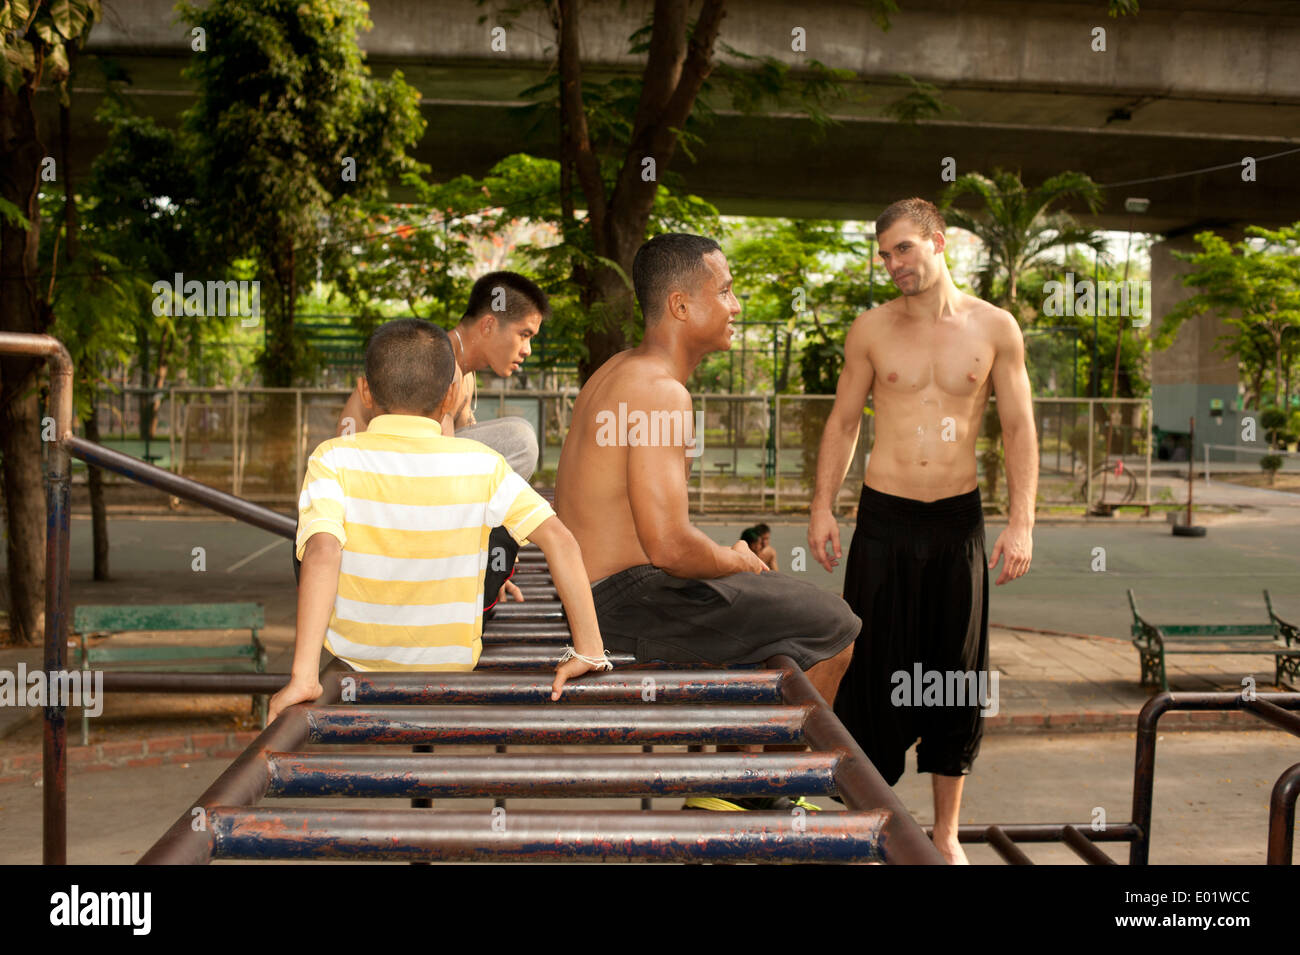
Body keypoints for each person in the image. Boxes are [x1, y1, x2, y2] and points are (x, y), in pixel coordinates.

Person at [555, 233, 861, 811]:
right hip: (625, 601)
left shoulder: (618, 371)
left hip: (601, 591)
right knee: (834, 625)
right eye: (725, 291)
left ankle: (736, 773)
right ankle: (751, 795)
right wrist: (734, 558)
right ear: (680, 305)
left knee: (774, 610)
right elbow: (669, 545)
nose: (735, 305)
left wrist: (728, 562)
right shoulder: (660, 392)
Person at [807, 198, 1037, 864]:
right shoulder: (871, 329)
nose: (893, 265)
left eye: (903, 249)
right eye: (884, 255)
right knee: (872, 667)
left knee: (957, 673)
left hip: (956, 520)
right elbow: (845, 421)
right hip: (883, 517)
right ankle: (876, 818)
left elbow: (1020, 427)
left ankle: (946, 831)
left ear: (939, 243)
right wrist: (823, 505)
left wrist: (1021, 521)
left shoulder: (995, 328)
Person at [269, 319, 607, 721]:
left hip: (357, 653)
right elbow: (561, 540)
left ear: (365, 390)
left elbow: (323, 552)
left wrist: (304, 676)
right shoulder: (483, 463)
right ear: (451, 396)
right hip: (451, 659)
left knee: (312, 535)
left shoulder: (332, 457)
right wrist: (589, 650)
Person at [301, 271, 551, 607]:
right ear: (489, 325)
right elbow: (362, 428)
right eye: (524, 334)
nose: (527, 349)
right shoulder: (437, 363)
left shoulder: (462, 372)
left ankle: (477, 565)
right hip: (377, 503)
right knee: (519, 439)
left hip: (393, 495)